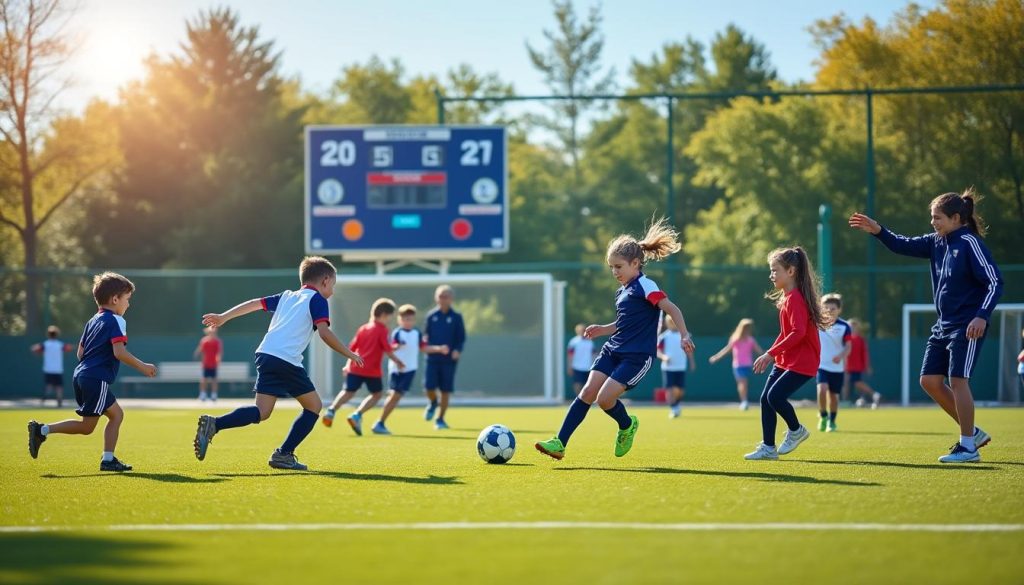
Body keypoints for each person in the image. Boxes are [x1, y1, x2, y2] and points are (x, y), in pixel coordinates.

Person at [850, 189, 1003, 463]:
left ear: (956, 218)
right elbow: (902, 244)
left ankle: (967, 446)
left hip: (967, 326)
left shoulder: (970, 243)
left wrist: (981, 315)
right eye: (931, 217)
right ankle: (974, 434)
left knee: (958, 381)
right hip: (942, 326)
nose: (933, 222)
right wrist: (877, 230)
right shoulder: (936, 242)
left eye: (938, 218)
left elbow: (995, 282)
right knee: (929, 381)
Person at [536, 218, 695, 460]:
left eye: (619, 266)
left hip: (637, 357)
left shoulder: (646, 285)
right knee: (588, 391)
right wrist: (602, 329)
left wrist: (684, 334)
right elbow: (624, 324)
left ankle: (626, 424)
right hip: (613, 349)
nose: (614, 272)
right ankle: (560, 443)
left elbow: (672, 309)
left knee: (604, 399)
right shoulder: (622, 291)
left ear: (635, 263)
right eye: (611, 267)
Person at [192, 256, 364, 471]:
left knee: (262, 411)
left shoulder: (286, 296)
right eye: (334, 285)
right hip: (286, 359)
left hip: (266, 354)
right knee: (314, 406)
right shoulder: (318, 299)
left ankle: (214, 424)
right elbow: (324, 332)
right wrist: (350, 354)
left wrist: (224, 317)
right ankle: (284, 454)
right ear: (326, 281)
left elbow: (254, 303)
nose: (333, 291)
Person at [27, 272, 157, 471]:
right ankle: (107, 460)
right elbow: (119, 352)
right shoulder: (117, 321)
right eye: (127, 300)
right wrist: (144, 367)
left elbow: (81, 353)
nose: (128, 305)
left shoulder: (93, 320)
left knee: (88, 426)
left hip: (81, 375)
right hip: (95, 378)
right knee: (116, 416)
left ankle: (42, 430)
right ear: (115, 299)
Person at [744, 247, 827, 461]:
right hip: (787, 360)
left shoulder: (796, 299)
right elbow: (785, 333)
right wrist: (772, 354)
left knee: (775, 397)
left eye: (775, 270)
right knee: (766, 399)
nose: (771, 275)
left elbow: (798, 333)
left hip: (803, 361)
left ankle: (796, 430)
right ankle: (768, 448)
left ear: (791, 271)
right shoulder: (787, 297)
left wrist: (769, 354)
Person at [322, 298, 406, 435]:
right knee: (377, 394)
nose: (390, 320)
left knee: (348, 391)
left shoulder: (363, 328)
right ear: (384, 315)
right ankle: (357, 415)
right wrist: (398, 361)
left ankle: (331, 410)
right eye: (390, 317)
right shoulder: (382, 330)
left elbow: (352, 348)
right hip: (371, 370)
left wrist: (347, 365)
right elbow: (387, 350)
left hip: (355, 367)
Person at [368, 304, 449, 435]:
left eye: (410, 319)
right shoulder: (397, 333)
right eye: (405, 319)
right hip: (396, 369)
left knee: (396, 396)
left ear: (414, 320)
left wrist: (439, 349)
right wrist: (396, 346)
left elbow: (423, 348)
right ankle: (380, 423)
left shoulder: (417, 333)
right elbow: (390, 347)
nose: (408, 322)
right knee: (395, 395)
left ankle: (381, 422)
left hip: (410, 370)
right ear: (400, 320)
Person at [422, 285, 466, 430]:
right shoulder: (431, 316)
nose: (442, 299)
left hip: (449, 361)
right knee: (429, 387)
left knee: (445, 390)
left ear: (451, 298)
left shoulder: (456, 317)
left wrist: (457, 350)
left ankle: (440, 419)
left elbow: (461, 338)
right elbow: (425, 337)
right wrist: (431, 347)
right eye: (440, 296)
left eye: (445, 296)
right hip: (432, 359)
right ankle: (433, 402)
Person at [816, 293, 852, 432]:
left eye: (833, 308)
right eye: (826, 308)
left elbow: (849, 346)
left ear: (839, 310)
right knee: (822, 389)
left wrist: (841, 355)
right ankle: (823, 416)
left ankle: (832, 421)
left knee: (834, 397)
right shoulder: (817, 323)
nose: (829, 311)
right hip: (821, 365)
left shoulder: (844, 326)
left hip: (837, 368)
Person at [709, 318, 762, 410]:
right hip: (738, 365)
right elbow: (727, 350)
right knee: (742, 383)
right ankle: (744, 402)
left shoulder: (751, 340)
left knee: (744, 383)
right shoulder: (735, 339)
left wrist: (771, 356)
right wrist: (716, 357)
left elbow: (759, 351)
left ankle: (744, 401)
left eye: (748, 328)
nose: (747, 329)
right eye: (746, 327)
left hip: (748, 365)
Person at [657, 315, 693, 418]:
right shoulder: (664, 337)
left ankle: (676, 405)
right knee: (670, 389)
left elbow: (689, 350)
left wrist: (692, 362)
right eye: (670, 322)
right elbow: (657, 350)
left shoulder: (686, 336)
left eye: (675, 321)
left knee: (680, 390)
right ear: (667, 323)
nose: (673, 323)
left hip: (681, 367)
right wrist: (663, 357)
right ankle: (673, 408)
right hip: (668, 368)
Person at [31, 325, 73, 408]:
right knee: (59, 386)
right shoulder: (60, 344)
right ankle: (59, 402)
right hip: (58, 369)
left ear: (48, 334)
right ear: (57, 334)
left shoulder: (45, 344)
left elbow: (34, 348)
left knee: (48, 386)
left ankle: (45, 398)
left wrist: (38, 353)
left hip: (48, 369)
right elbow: (68, 348)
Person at [846, 318, 882, 409]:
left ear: (857, 328)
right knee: (849, 383)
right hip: (847, 367)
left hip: (856, 367)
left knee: (857, 382)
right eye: (849, 327)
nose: (851, 329)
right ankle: (860, 399)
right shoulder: (846, 339)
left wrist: (867, 366)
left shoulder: (860, 340)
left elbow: (865, 354)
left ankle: (874, 394)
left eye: (853, 327)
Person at [193, 326, 223, 401]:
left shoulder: (217, 341)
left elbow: (219, 352)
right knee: (204, 380)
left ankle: (214, 395)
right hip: (206, 364)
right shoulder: (204, 341)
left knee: (214, 380)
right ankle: (202, 395)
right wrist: (196, 354)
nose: (212, 334)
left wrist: (218, 360)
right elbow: (200, 349)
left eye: (214, 332)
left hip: (214, 364)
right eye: (211, 332)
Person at [566, 324, 594, 397]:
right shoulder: (574, 342)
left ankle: (585, 399)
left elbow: (594, 355)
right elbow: (570, 355)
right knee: (577, 384)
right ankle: (578, 398)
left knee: (588, 385)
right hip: (577, 366)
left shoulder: (590, 342)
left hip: (588, 367)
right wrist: (569, 366)